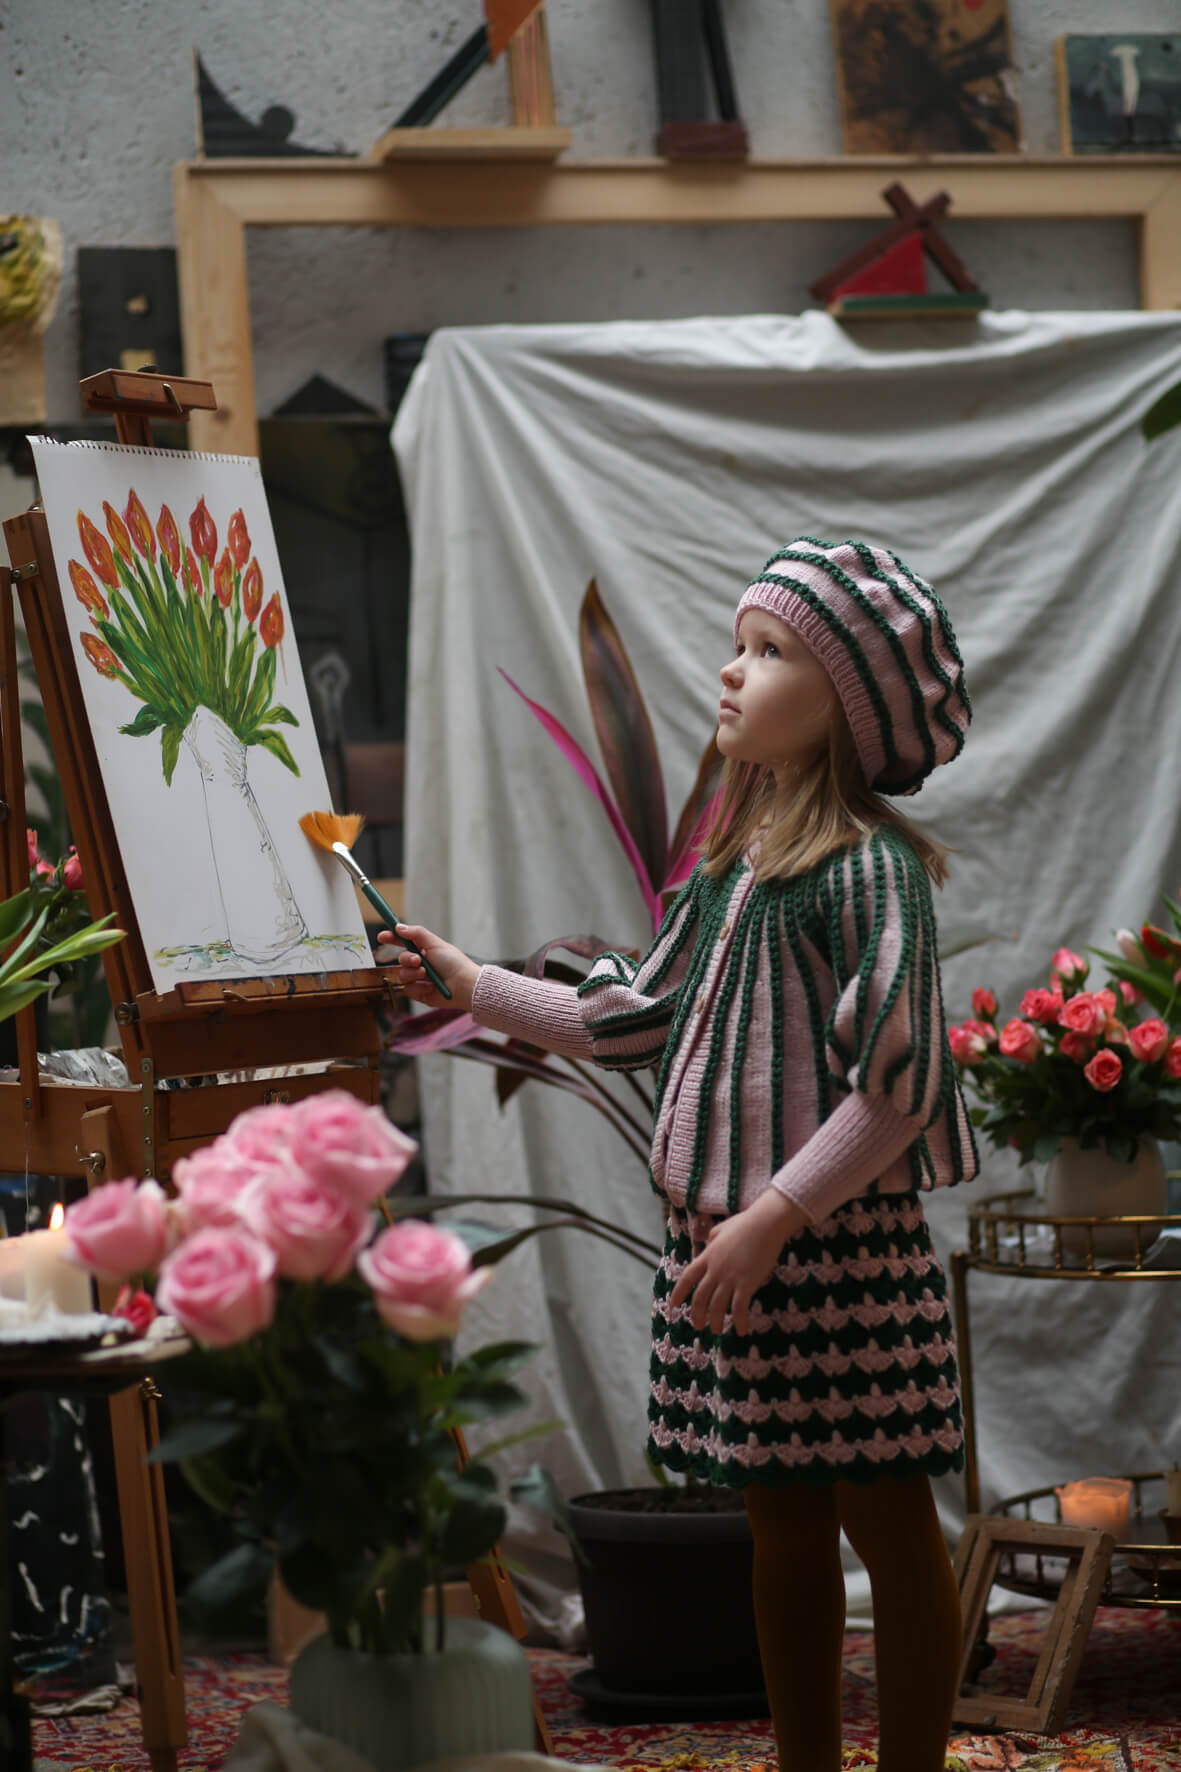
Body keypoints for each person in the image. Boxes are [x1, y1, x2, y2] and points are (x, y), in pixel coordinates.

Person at [380, 536, 978, 1772]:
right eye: (737, 643)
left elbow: (897, 1088)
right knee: (781, 1529)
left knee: (888, 1524)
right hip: (732, 1258)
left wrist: (771, 1215)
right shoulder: (729, 872)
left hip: (840, 1256)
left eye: (770, 652)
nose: (730, 670)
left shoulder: (868, 873)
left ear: (848, 705)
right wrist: (473, 983)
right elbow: (629, 1015)